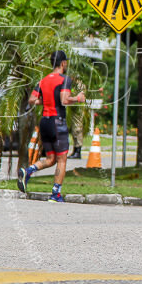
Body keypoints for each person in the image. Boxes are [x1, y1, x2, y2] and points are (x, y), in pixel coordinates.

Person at [17, 50, 85, 201]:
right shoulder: (64, 79)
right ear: (63, 63)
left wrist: (47, 101)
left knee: (51, 159)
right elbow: (64, 100)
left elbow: (32, 100)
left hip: (45, 122)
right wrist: (78, 98)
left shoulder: (43, 80)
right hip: (57, 122)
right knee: (62, 160)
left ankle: (27, 171)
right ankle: (56, 194)